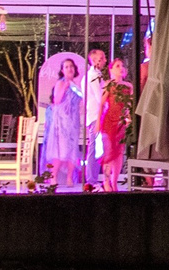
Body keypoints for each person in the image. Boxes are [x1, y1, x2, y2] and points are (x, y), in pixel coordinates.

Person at [40, 55, 86, 190]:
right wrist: (65, 87)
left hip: (73, 122)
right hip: (61, 122)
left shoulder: (76, 85)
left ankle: (69, 177)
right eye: (66, 67)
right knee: (60, 150)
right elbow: (57, 100)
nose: (69, 69)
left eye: (71, 66)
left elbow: (80, 101)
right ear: (62, 70)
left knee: (72, 150)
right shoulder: (61, 83)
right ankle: (53, 176)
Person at [91, 57, 131, 191]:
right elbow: (101, 104)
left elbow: (129, 105)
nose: (121, 68)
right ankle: (106, 181)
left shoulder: (128, 86)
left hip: (121, 123)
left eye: (122, 66)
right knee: (109, 152)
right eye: (117, 66)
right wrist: (98, 122)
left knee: (119, 153)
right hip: (109, 122)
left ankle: (114, 182)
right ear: (111, 70)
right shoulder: (109, 85)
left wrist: (128, 119)